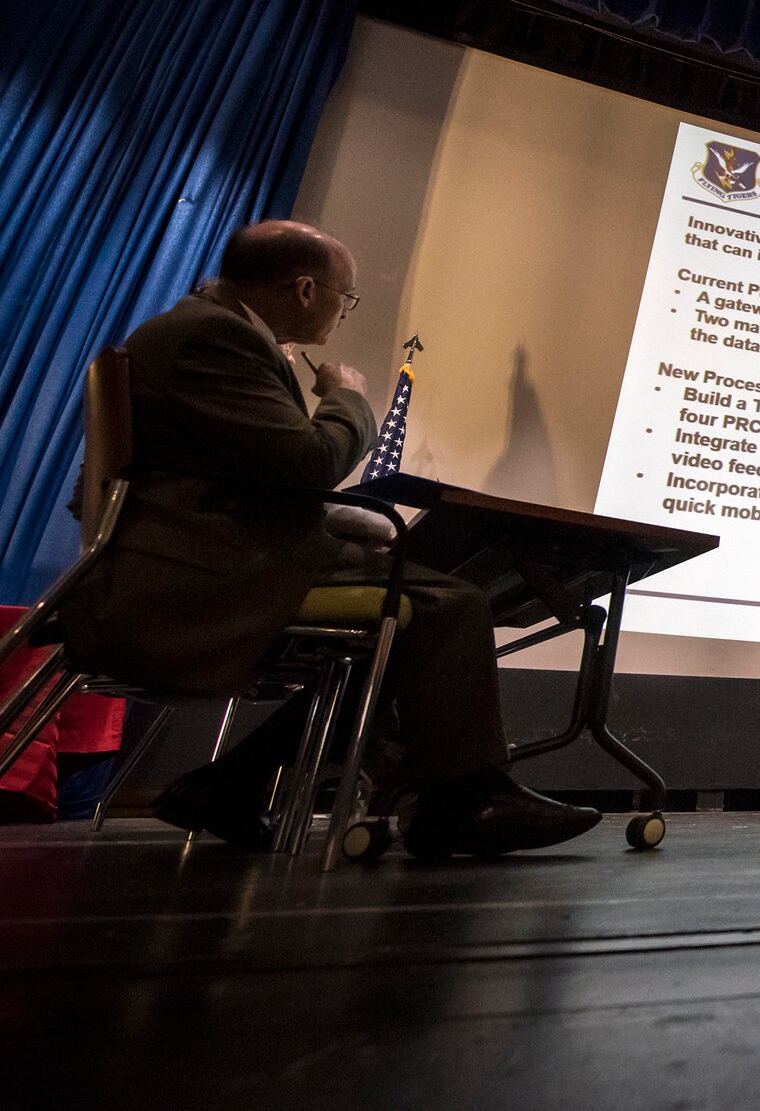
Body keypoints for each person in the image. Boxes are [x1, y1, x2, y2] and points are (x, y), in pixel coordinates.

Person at [61, 220, 601, 856]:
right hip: (198, 576)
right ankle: (461, 801)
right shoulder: (213, 337)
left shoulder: (207, 330)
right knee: (447, 606)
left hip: (211, 553)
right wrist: (346, 399)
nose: (345, 313)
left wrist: (343, 522)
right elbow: (311, 464)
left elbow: (251, 479)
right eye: (346, 299)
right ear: (305, 289)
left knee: (410, 613)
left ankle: (236, 782)